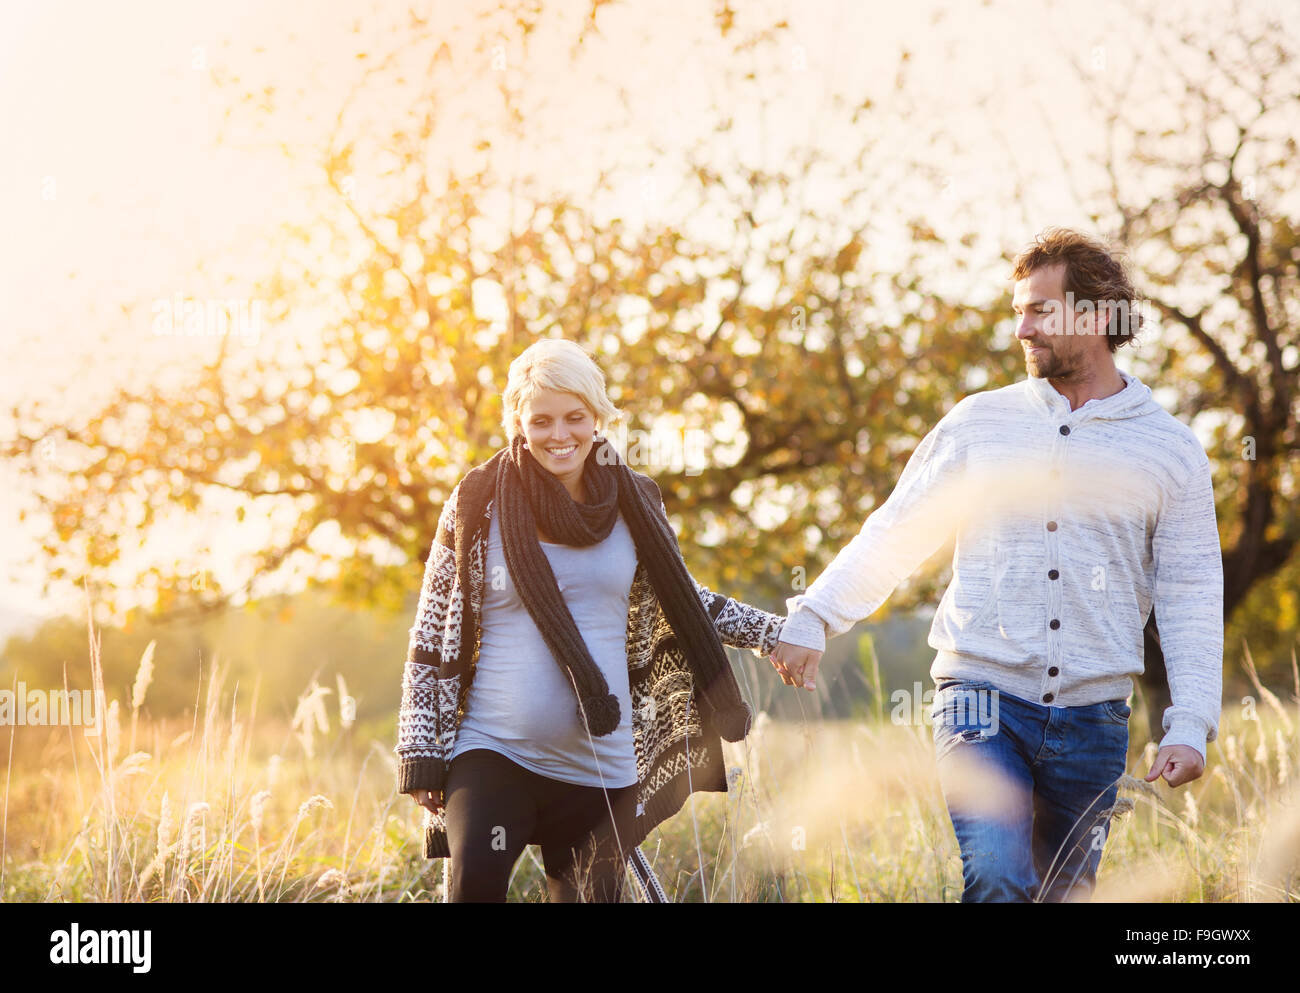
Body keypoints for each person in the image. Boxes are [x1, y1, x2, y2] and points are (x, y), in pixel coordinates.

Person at [770, 227, 1223, 902]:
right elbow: (897, 531)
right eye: (1018, 311)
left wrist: (1190, 721)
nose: (1021, 329)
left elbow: (1190, 590)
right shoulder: (978, 425)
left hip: (1094, 719)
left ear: (1096, 317)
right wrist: (815, 613)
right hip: (980, 698)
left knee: (1065, 893)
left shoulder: (1172, 450)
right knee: (998, 876)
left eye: (1039, 310)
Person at [394, 337, 785, 902]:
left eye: (575, 417)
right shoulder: (478, 500)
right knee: (472, 891)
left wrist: (774, 634)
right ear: (518, 423)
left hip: (600, 768)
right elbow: (431, 633)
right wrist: (421, 754)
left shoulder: (637, 504)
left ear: (599, 416)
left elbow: (687, 602)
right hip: (494, 752)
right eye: (542, 420)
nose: (560, 435)